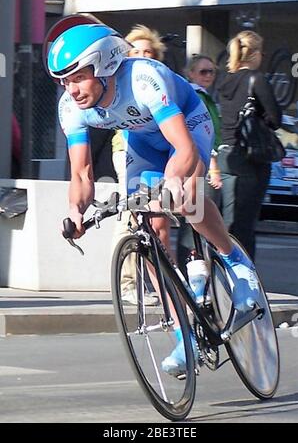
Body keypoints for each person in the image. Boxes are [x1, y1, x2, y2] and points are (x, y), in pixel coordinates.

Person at [47, 23, 262, 377]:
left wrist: (175, 182)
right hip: (142, 140)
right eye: (64, 81)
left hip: (188, 124)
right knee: (143, 222)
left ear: (104, 66)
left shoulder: (143, 78)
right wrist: (75, 210)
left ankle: (234, 260)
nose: (71, 89)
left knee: (185, 198)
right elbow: (82, 174)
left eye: (78, 78)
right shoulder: (71, 106)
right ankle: (184, 335)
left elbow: (183, 148)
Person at [111, 24, 167, 306]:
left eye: (148, 52)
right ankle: (128, 284)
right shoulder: (122, 83)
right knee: (131, 215)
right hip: (127, 152)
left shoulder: (158, 84)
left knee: (156, 220)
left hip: (154, 157)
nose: (142, 56)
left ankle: (160, 282)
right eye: (135, 51)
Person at [217, 30, 282, 260]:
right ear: (254, 54)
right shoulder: (257, 78)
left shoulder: (225, 82)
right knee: (244, 225)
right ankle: (243, 279)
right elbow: (275, 119)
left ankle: (220, 272)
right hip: (251, 158)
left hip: (227, 154)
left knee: (228, 220)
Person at [177, 54, 223, 275]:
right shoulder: (197, 96)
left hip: (200, 158)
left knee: (195, 213)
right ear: (191, 73)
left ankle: (199, 266)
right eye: (203, 71)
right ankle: (193, 267)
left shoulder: (206, 96)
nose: (209, 76)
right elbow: (202, 132)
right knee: (195, 213)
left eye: (212, 72)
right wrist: (213, 166)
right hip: (197, 160)